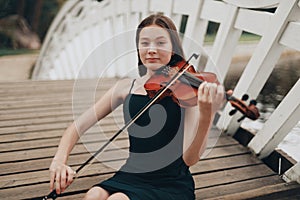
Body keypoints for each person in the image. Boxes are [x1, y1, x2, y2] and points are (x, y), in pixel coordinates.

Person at [49, 13, 225, 200]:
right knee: (94, 195)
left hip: (170, 182)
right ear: (138, 47)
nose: (151, 49)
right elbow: (77, 127)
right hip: (131, 174)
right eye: (145, 43)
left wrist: (207, 115)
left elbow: (190, 159)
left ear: (173, 48)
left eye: (160, 43)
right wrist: (59, 161)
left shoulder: (187, 94)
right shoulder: (125, 87)